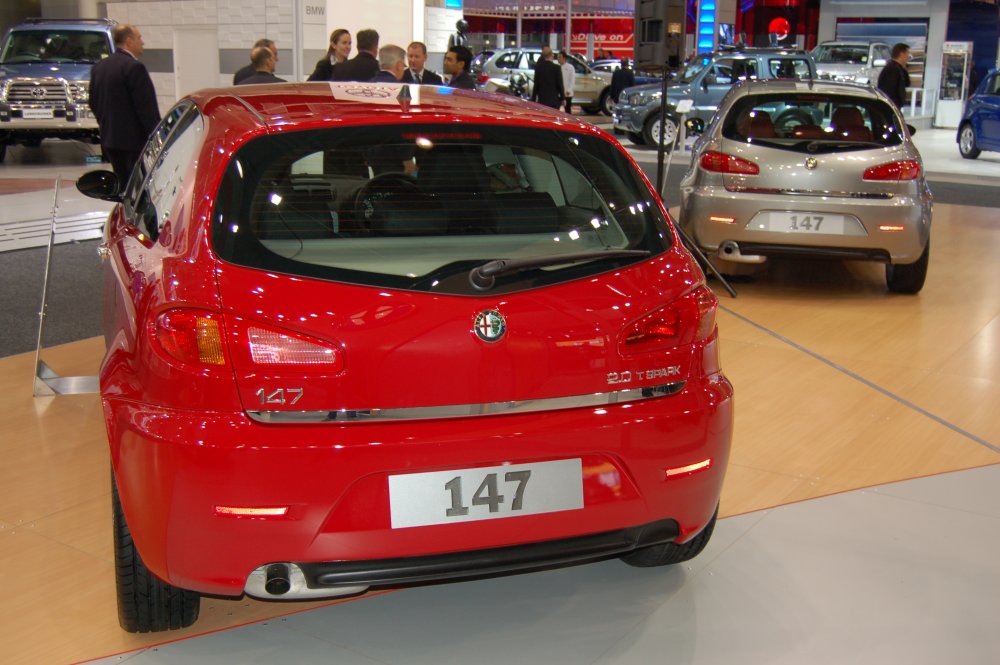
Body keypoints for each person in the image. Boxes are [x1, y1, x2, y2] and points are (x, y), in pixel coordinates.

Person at [89, 24, 160, 189]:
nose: (142, 43)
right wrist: (156, 137)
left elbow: (93, 102)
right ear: (129, 41)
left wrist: (106, 125)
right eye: (139, 38)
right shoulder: (134, 68)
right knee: (139, 188)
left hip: (110, 140)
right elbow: (145, 108)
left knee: (122, 186)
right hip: (134, 143)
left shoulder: (100, 67)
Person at [877, 43, 911, 109]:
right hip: (890, 106)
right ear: (901, 54)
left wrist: (905, 68)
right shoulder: (891, 69)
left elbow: (907, 83)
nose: (908, 57)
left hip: (896, 106)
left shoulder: (899, 68)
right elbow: (889, 90)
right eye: (907, 54)